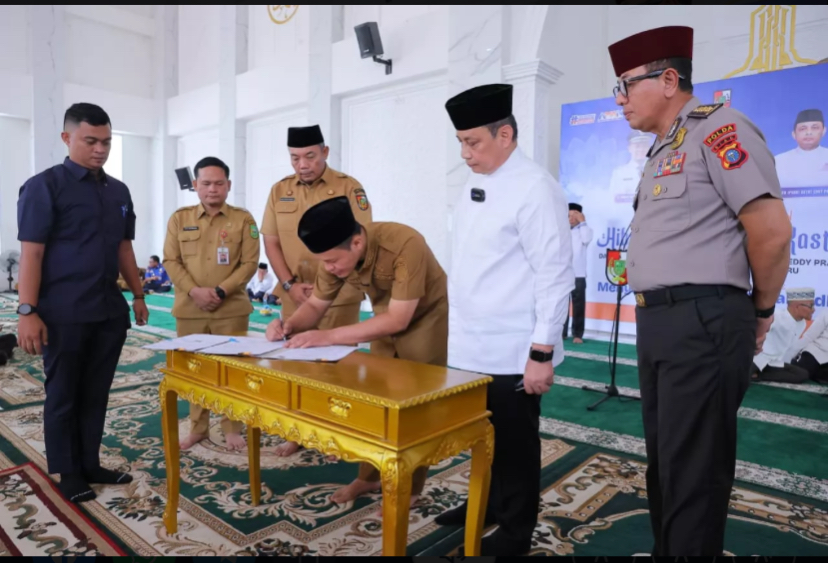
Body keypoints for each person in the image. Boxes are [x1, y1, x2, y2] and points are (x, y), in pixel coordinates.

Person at [608, 26, 792, 555]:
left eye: (627, 85)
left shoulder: (720, 130)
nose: (620, 100)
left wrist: (760, 311)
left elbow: (772, 232)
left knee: (696, 470)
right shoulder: (661, 148)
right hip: (661, 322)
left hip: (704, 319)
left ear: (668, 80)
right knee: (667, 459)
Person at [434, 83, 575, 556]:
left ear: (506, 134)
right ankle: (489, 504)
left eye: (472, 142)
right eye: (460, 142)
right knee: (480, 437)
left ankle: (516, 531)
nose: (465, 152)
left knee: (515, 447)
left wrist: (541, 352)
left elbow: (555, 276)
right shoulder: (476, 180)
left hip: (514, 350)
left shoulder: (536, 188)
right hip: (470, 345)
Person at [264, 196, 447, 512]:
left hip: (423, 317)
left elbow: (400, 319)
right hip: (383, 316)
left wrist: (327, 337)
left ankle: (411, 485)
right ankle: (369, 477)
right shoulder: (334, 256)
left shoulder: (405, 244)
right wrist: (288, 325)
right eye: (323, 261)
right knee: (376, 398)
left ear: (358, 242)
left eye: (332, 261)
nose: (328, 269)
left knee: (415, 404)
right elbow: (315, 307)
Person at [16, 103, 149, 503]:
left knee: (96, 391)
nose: (100, 149)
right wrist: (27, 311)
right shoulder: (44, 186)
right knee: (64, 393)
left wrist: (139, 293)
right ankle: (68, 471)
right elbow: (32, 254)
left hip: (108, 310)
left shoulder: (118, 191)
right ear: (66, 138)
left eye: (106, 142)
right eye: (90, 141)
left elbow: (124, 246)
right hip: (62, 312)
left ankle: (90, 462)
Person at [260, 124, 373, 456]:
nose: (303, 164)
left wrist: (328, 284)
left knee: (338, 365)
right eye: (295, 158)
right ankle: (297, 430)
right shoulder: (279, 190)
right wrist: (290, 286)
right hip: (294, 293)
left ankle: (338, 431)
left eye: (310, 156)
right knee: (296, 364)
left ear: (324, 152)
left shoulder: (348, 187)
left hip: (339, 293)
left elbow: (360, 239)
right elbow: (271, 242)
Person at [163, 156, 260, 451]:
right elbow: (170, 260)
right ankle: (198, 428)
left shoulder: (243, 219)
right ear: (195, 185)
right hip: (190, 310)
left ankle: (232, 428)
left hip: (230, 310)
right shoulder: (180, 218)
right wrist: (194, 291)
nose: (212, 189)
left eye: (219, 183)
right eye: (205, 183)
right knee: (195, 372)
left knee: (232, 370)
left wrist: (220, 291)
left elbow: (250, 262)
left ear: (228, 185)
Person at [750, 288, 814, 383]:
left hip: (774, 362)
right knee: (736, 377)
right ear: (797, 306)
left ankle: (758, 375)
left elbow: (789, 349)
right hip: (757, 358)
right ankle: (752, 372)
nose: (813, 310)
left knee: (802, 374)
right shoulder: (776, 316)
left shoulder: (802, 324)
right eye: (811, 306)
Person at [774, 109, 828, 188]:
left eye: (815, 128)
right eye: (803, 129)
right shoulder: (779, 161)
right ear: (794, 134)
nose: (809, 132)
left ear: (823, 131)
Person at [563, 202, 593, 344]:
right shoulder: (562, 230)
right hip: (562, 274)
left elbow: (587, 239)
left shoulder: (585, 230)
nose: (571, 218)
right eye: (569, 215)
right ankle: (561, 333)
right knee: (561, 306)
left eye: (575, 215)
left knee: (578, 306)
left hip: (578, 275)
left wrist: (583, 222)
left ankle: (577, 334)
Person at [790, 305, 828, 382]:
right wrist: (790, 355)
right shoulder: (826, 313)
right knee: (800, 373)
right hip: (816, 352)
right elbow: (809, 336)